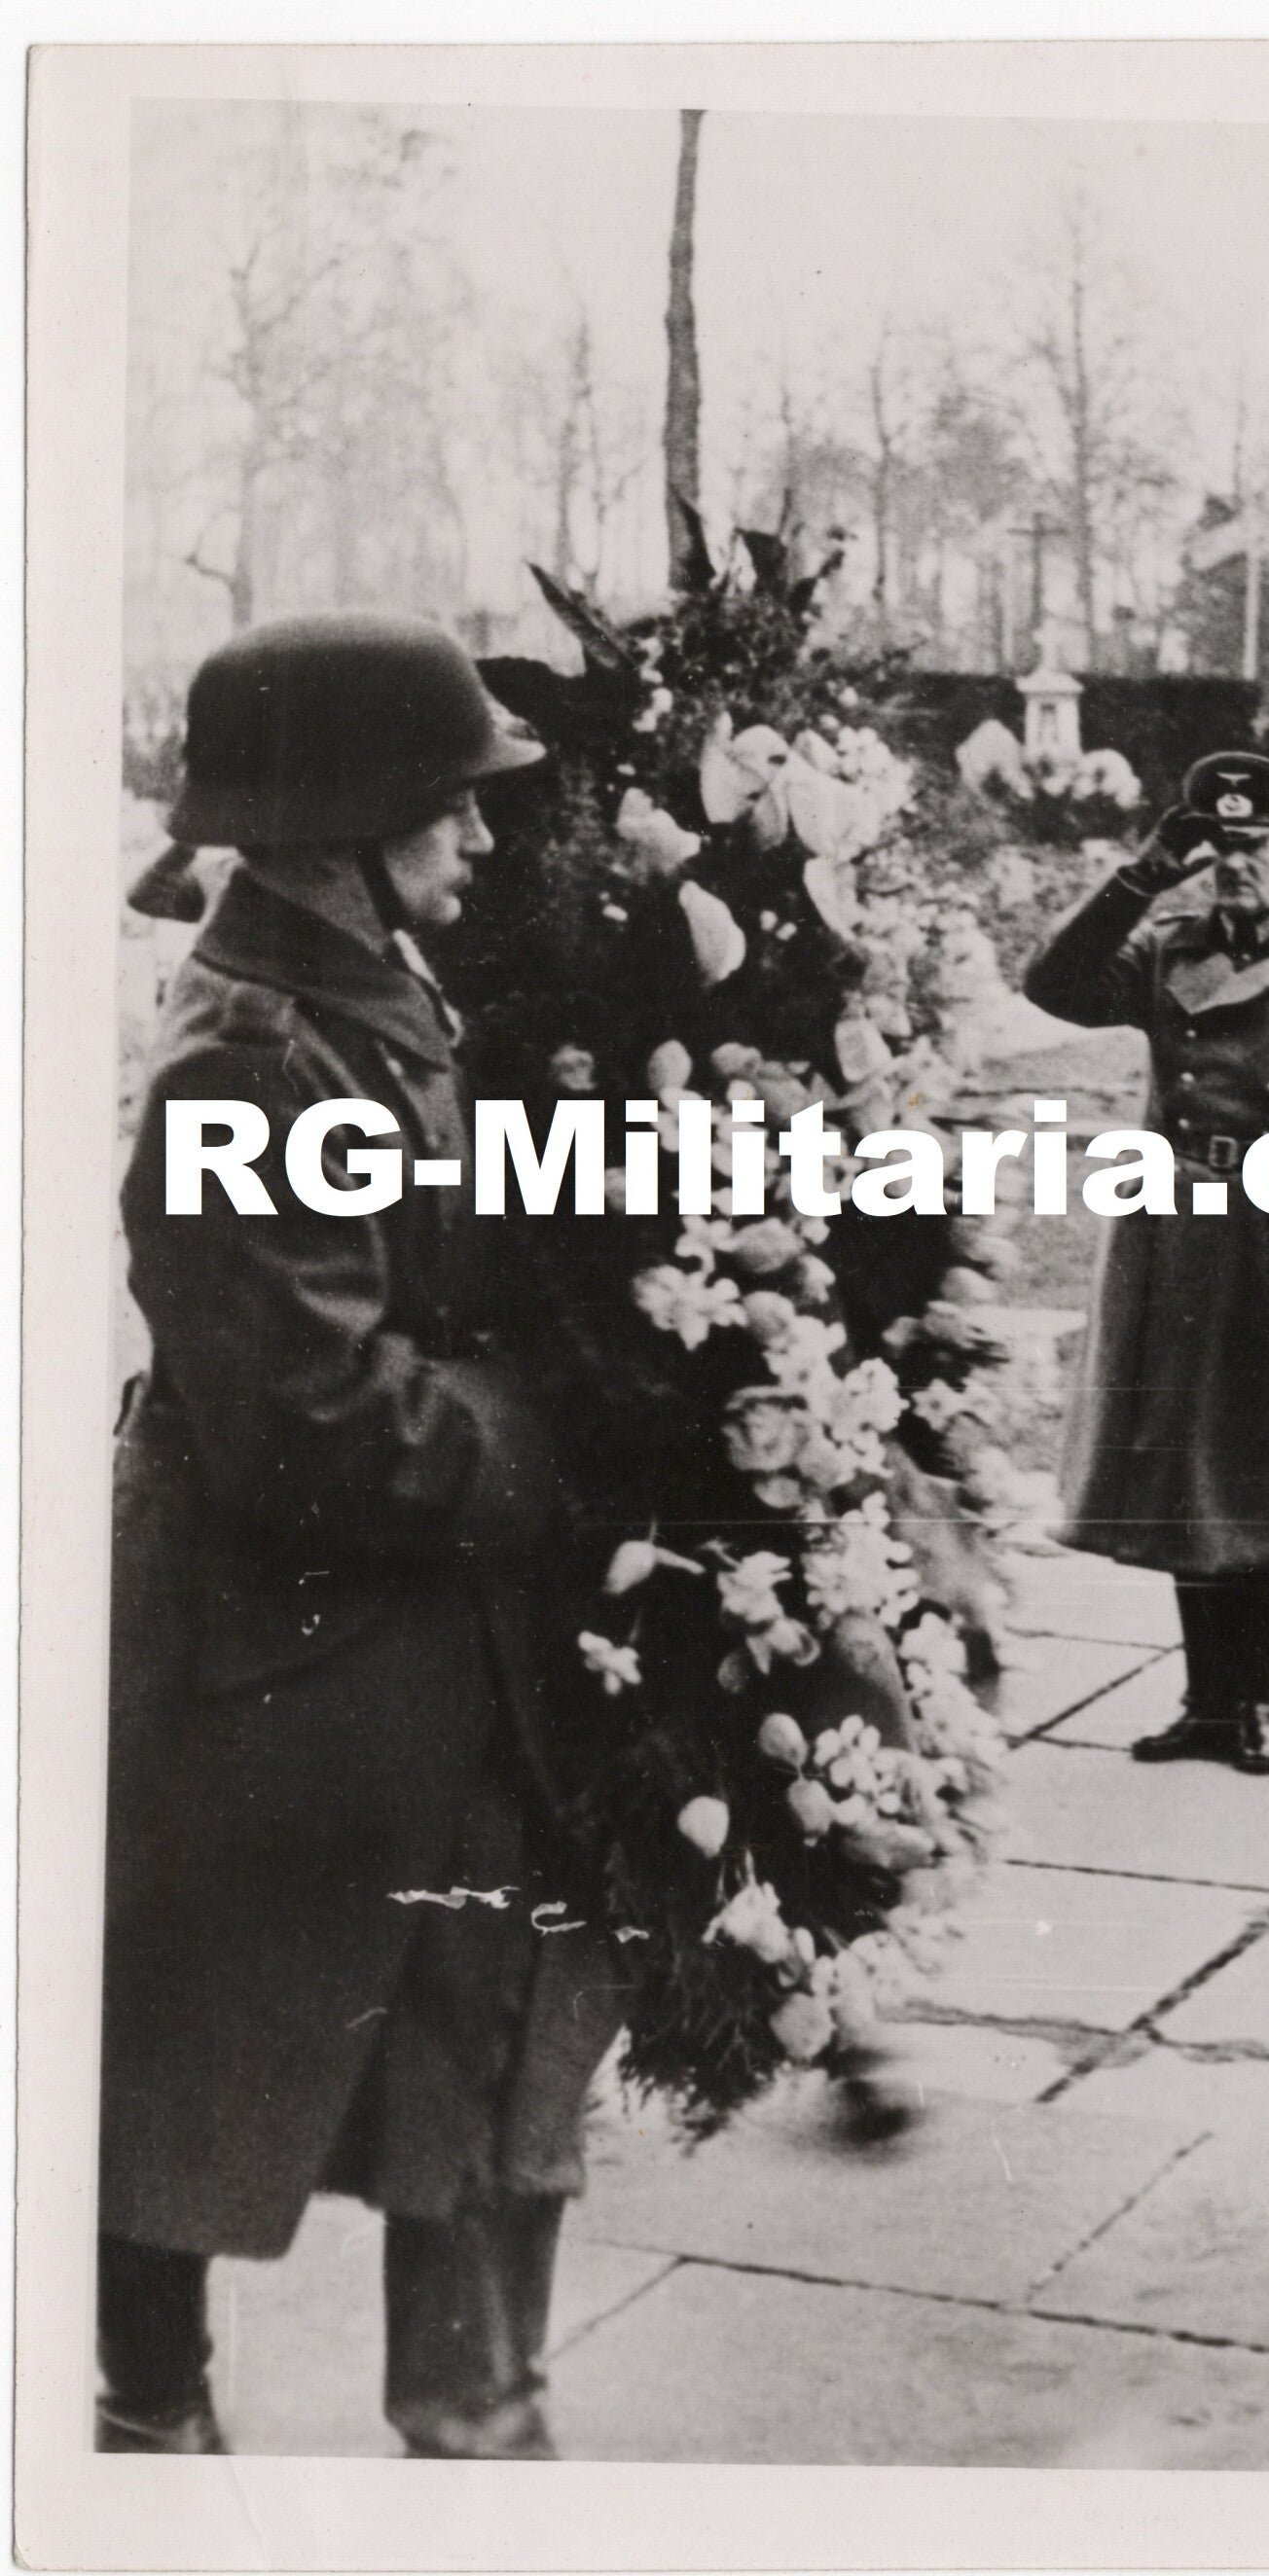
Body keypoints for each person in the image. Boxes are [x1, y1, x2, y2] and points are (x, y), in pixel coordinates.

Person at [100, 613, 630, 2458]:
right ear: (347, 821)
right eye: (454, 808)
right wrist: (548, 1428)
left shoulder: (356, 997)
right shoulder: (250, 1057)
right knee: (192, 2072)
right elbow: (323, 1424)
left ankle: (465, 2421)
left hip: (373, 1638)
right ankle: (158, 2429)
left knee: (468, 2037)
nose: (483, 843)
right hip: (288, 1649)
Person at [1024, 751, 1269, 1773]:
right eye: (1221, 845)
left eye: (1257, 845)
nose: (1238, 863)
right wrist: (1143, 874)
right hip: (1171, 1236)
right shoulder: (1167, 944)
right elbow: (1051, 982)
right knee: (1187, 1473)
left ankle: (1256, 1702)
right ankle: (1205, 1700)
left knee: (1266, 1472)